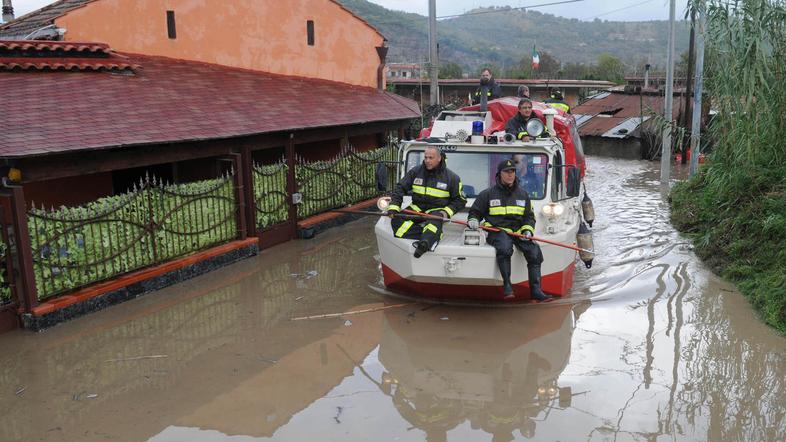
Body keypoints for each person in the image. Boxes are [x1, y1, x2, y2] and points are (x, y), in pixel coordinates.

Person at [467, 159, 552, 301]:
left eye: (512, 171)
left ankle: (536, 292)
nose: (510, 174)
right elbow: (474, 213)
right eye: (506, 172)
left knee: (534, 252)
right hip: (497, 231)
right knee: (505, 248)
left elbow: (529, 217)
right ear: (499, 174)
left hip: (517, 232)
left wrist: (527, 231)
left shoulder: (523, 194)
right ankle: (507, 286)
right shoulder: (487, 194)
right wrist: (473, 221)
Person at [387, 146, 466, 258]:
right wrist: (394, 207)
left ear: (439, 158)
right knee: (396, 221)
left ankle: (425, 243)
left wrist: (445, 213)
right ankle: (431, 236)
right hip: (417, 209)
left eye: (431, 158)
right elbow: (400, 188)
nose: (427, 160)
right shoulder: (415, 172)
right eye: (426, 157)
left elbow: (460, 200)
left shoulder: (452, 178)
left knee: (433, 223)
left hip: (436, 211)